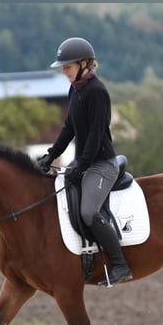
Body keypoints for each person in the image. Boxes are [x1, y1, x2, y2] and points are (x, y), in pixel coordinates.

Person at [37, 37, 133, 286]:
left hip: (102, 164)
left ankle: (121, 265)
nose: (64, 71)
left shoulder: (97, 92)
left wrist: (81, 164)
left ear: (84, 63)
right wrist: (51, 154)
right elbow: (69, 127)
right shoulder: (75, 89)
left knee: (88, 212)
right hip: (85, 162)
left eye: (67, 67)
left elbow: (96, 133)